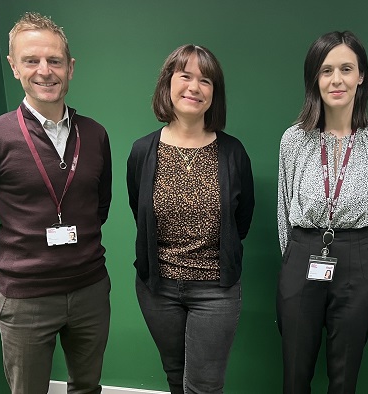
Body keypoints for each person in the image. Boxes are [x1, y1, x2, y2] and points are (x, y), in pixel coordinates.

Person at [0, 12, 112, 394]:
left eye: (55, 60)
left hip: (90, 288)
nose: (45, 71)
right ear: (14, 67)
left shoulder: (94, 134)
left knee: (88, 387)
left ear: (70, 67)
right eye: (32, 60)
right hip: (25, 298)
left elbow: (98, 206)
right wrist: (16, 255)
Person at [277, 31, 368, 393]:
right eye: (326, 70)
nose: (336, 79)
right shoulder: (294, 138)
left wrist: (363, 263)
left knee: (345, 376)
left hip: (357, 258)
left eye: (346, 69)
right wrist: (296, 260)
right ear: (314, 78)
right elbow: (285, 210)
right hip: (302, 253)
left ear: (361, 76)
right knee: (295, 371)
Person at [127, 44, 254, 394]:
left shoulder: (232, 152)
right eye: (185, 76)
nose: (194, 87)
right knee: (175, 375)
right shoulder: (142, 151)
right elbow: (139, 211)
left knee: (204, 385)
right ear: (169, 82)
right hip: (158, 287)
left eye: (206, 81)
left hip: (216, 290)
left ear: (215, 93)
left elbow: (241, 221)